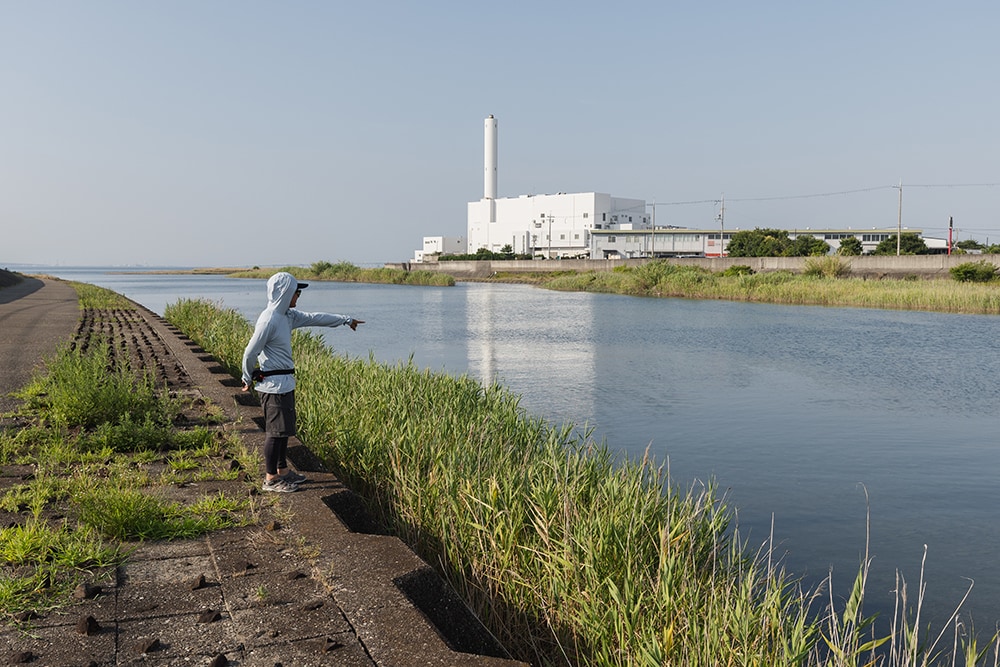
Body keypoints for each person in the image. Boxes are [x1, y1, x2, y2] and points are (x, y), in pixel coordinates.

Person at [241, 271, 364, 492]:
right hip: (272, 385)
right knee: (274, 433)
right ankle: (271, 479)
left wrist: (345, 320)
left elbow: (316, 317)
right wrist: (246, 376)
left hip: (285, 383)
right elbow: (250, 352)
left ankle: (283, 471)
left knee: (284, 431)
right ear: (284, 293)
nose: (298, 297)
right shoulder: (269, 320)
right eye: (296, 292)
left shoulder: (287, 316)